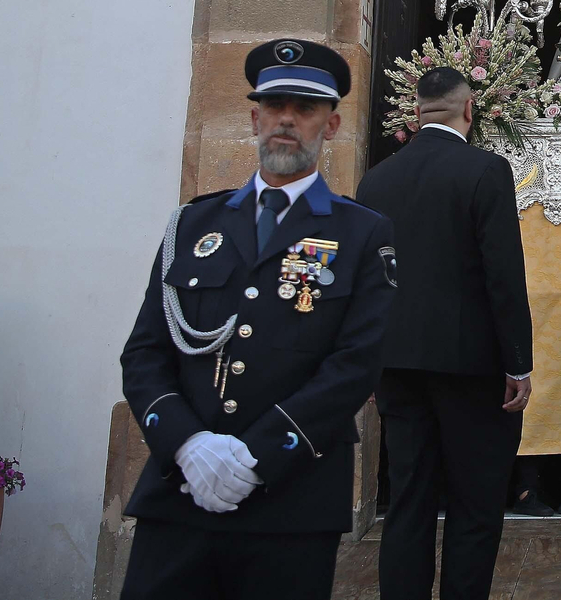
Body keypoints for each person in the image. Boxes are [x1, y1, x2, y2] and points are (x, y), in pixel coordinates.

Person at [119, 39, 397, 600]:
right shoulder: (193, 225)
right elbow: (145, 350)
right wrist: (188, 444)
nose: (287, 120)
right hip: (181, 492)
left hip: (289, 501)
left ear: (333, 125)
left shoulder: (363, 233)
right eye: (274, 107)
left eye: (305, 109)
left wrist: (259, 455)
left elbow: (356, 364)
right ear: (254, 118)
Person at [355, 67, 534, 600]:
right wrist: (518, 364)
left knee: (407, 500)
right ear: (469, 110)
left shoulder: (375, 179)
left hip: (397, 363)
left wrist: (368, 358)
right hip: (471, 369)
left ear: (416, 112)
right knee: (474, 505)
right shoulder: (484, 170)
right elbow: (502, 273)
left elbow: (368, 279)